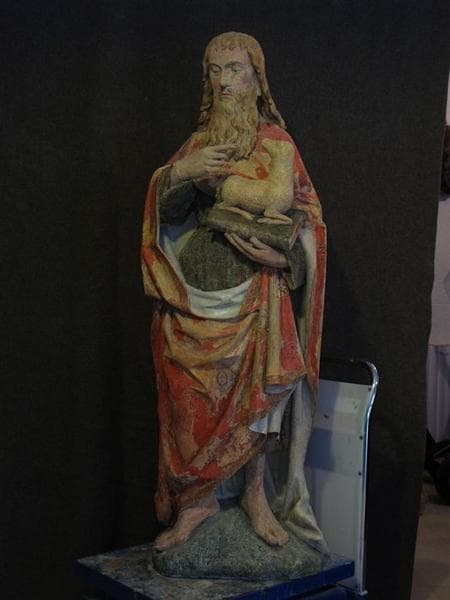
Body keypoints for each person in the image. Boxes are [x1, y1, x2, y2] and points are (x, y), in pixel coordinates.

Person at [142, 32, 326, 552]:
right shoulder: (198, 146)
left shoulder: (277, 142)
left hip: (254, 298)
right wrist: (180, 174)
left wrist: (287, 257)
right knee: (187, 400)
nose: (225, 82)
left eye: (236, 70)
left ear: (257, 79)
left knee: (257, 401)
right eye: (215, 70)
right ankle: (196, 505)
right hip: (192, 301)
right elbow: (167, 212)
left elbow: (307, 221)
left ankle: (255, 495)